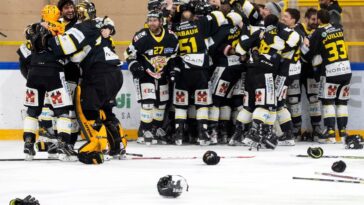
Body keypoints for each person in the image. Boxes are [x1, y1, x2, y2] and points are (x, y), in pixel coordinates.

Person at [47, 0, 126, 163]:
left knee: (88, 110)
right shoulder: (99, 23)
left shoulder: (83, 27)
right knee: (106, 111)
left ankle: (99, 146)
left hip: (97, 74)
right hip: (115, 73)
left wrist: (49, 36)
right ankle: (119, 147)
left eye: (79, 11)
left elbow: (63, 48)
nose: (77, 13)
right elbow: (107, 25)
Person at [22, 5, 74, 160]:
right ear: (58, 14)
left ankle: (28, 145)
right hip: (53, 71)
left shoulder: (33, 27)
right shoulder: (61, 27)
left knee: (32, 110)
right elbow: (67, 50)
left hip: (34, 72)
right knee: (62, 110)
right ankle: (64, 146)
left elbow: (26, 43)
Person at [125, 11, 179, 145]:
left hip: (162, 74)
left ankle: (156, 128)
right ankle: (144, 130)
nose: (151, 23)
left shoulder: (171, 37)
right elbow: (129, 53)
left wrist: (172, 70)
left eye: (155, 20)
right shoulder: (142, 36)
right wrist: (134, 65)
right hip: (146, 73)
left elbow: (174, 56)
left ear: (161, 22)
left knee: (161, 104)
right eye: (150, 20)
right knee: (148, 103)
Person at [305, 9, 351, 144]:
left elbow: (312, 51)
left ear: (318, 20)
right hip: (346, 69)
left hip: (331, 71)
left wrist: (308, 43)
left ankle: (330, 131)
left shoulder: (318, 32)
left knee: (327, 101)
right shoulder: (338, 28)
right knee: (342, 102)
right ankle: (342, 132)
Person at [292, 8, 322, 141]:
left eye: (317, 20)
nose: (316, 22)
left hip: (311, 71)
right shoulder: (298, 28)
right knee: (293, 100)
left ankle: (316, 128)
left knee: (314, 99)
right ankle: (296, 129)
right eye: (313, 19)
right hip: (297, 71)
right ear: (306, 19)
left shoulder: (319, 30)